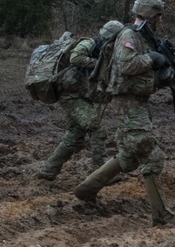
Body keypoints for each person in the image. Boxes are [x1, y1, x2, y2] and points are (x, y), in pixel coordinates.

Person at [74, 0, 175, 227]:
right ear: (147, 13)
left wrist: (167, 77)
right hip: (128, 104)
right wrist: (151, 59)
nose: (159, 19)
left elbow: (144, 73)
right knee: (151, 156)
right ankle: (162, 216)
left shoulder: (142, 37)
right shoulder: (129, 36)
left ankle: (86, 189)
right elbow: (126, 65)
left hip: (136, 103)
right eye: (156, 15)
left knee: (128, 155)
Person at [37, 20, 124, 181]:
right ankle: (101, 172)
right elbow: (75, 58)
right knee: (96, 128)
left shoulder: (105, 50)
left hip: (80, 97)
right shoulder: (89, 43)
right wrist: (97, 64)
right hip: (71, 97)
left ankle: (48, 170)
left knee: (73, 137)